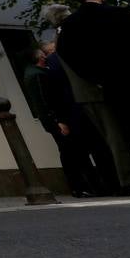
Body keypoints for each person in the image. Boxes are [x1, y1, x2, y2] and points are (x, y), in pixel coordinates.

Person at [56, 0, 130, 185]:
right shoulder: (119, 13)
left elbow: (66, 53)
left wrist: (94, 78)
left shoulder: (71, 25)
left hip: (112, 85)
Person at [22, 47, 97, 197]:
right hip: (57, 120)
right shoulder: (38, 75)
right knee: (70, 152)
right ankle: (78, 187)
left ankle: (84, 186)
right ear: (41, 58)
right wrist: (58, 121)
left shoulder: (36, 74)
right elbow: (45, 101)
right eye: (44, 55)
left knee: (72, 151)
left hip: (56, 119)